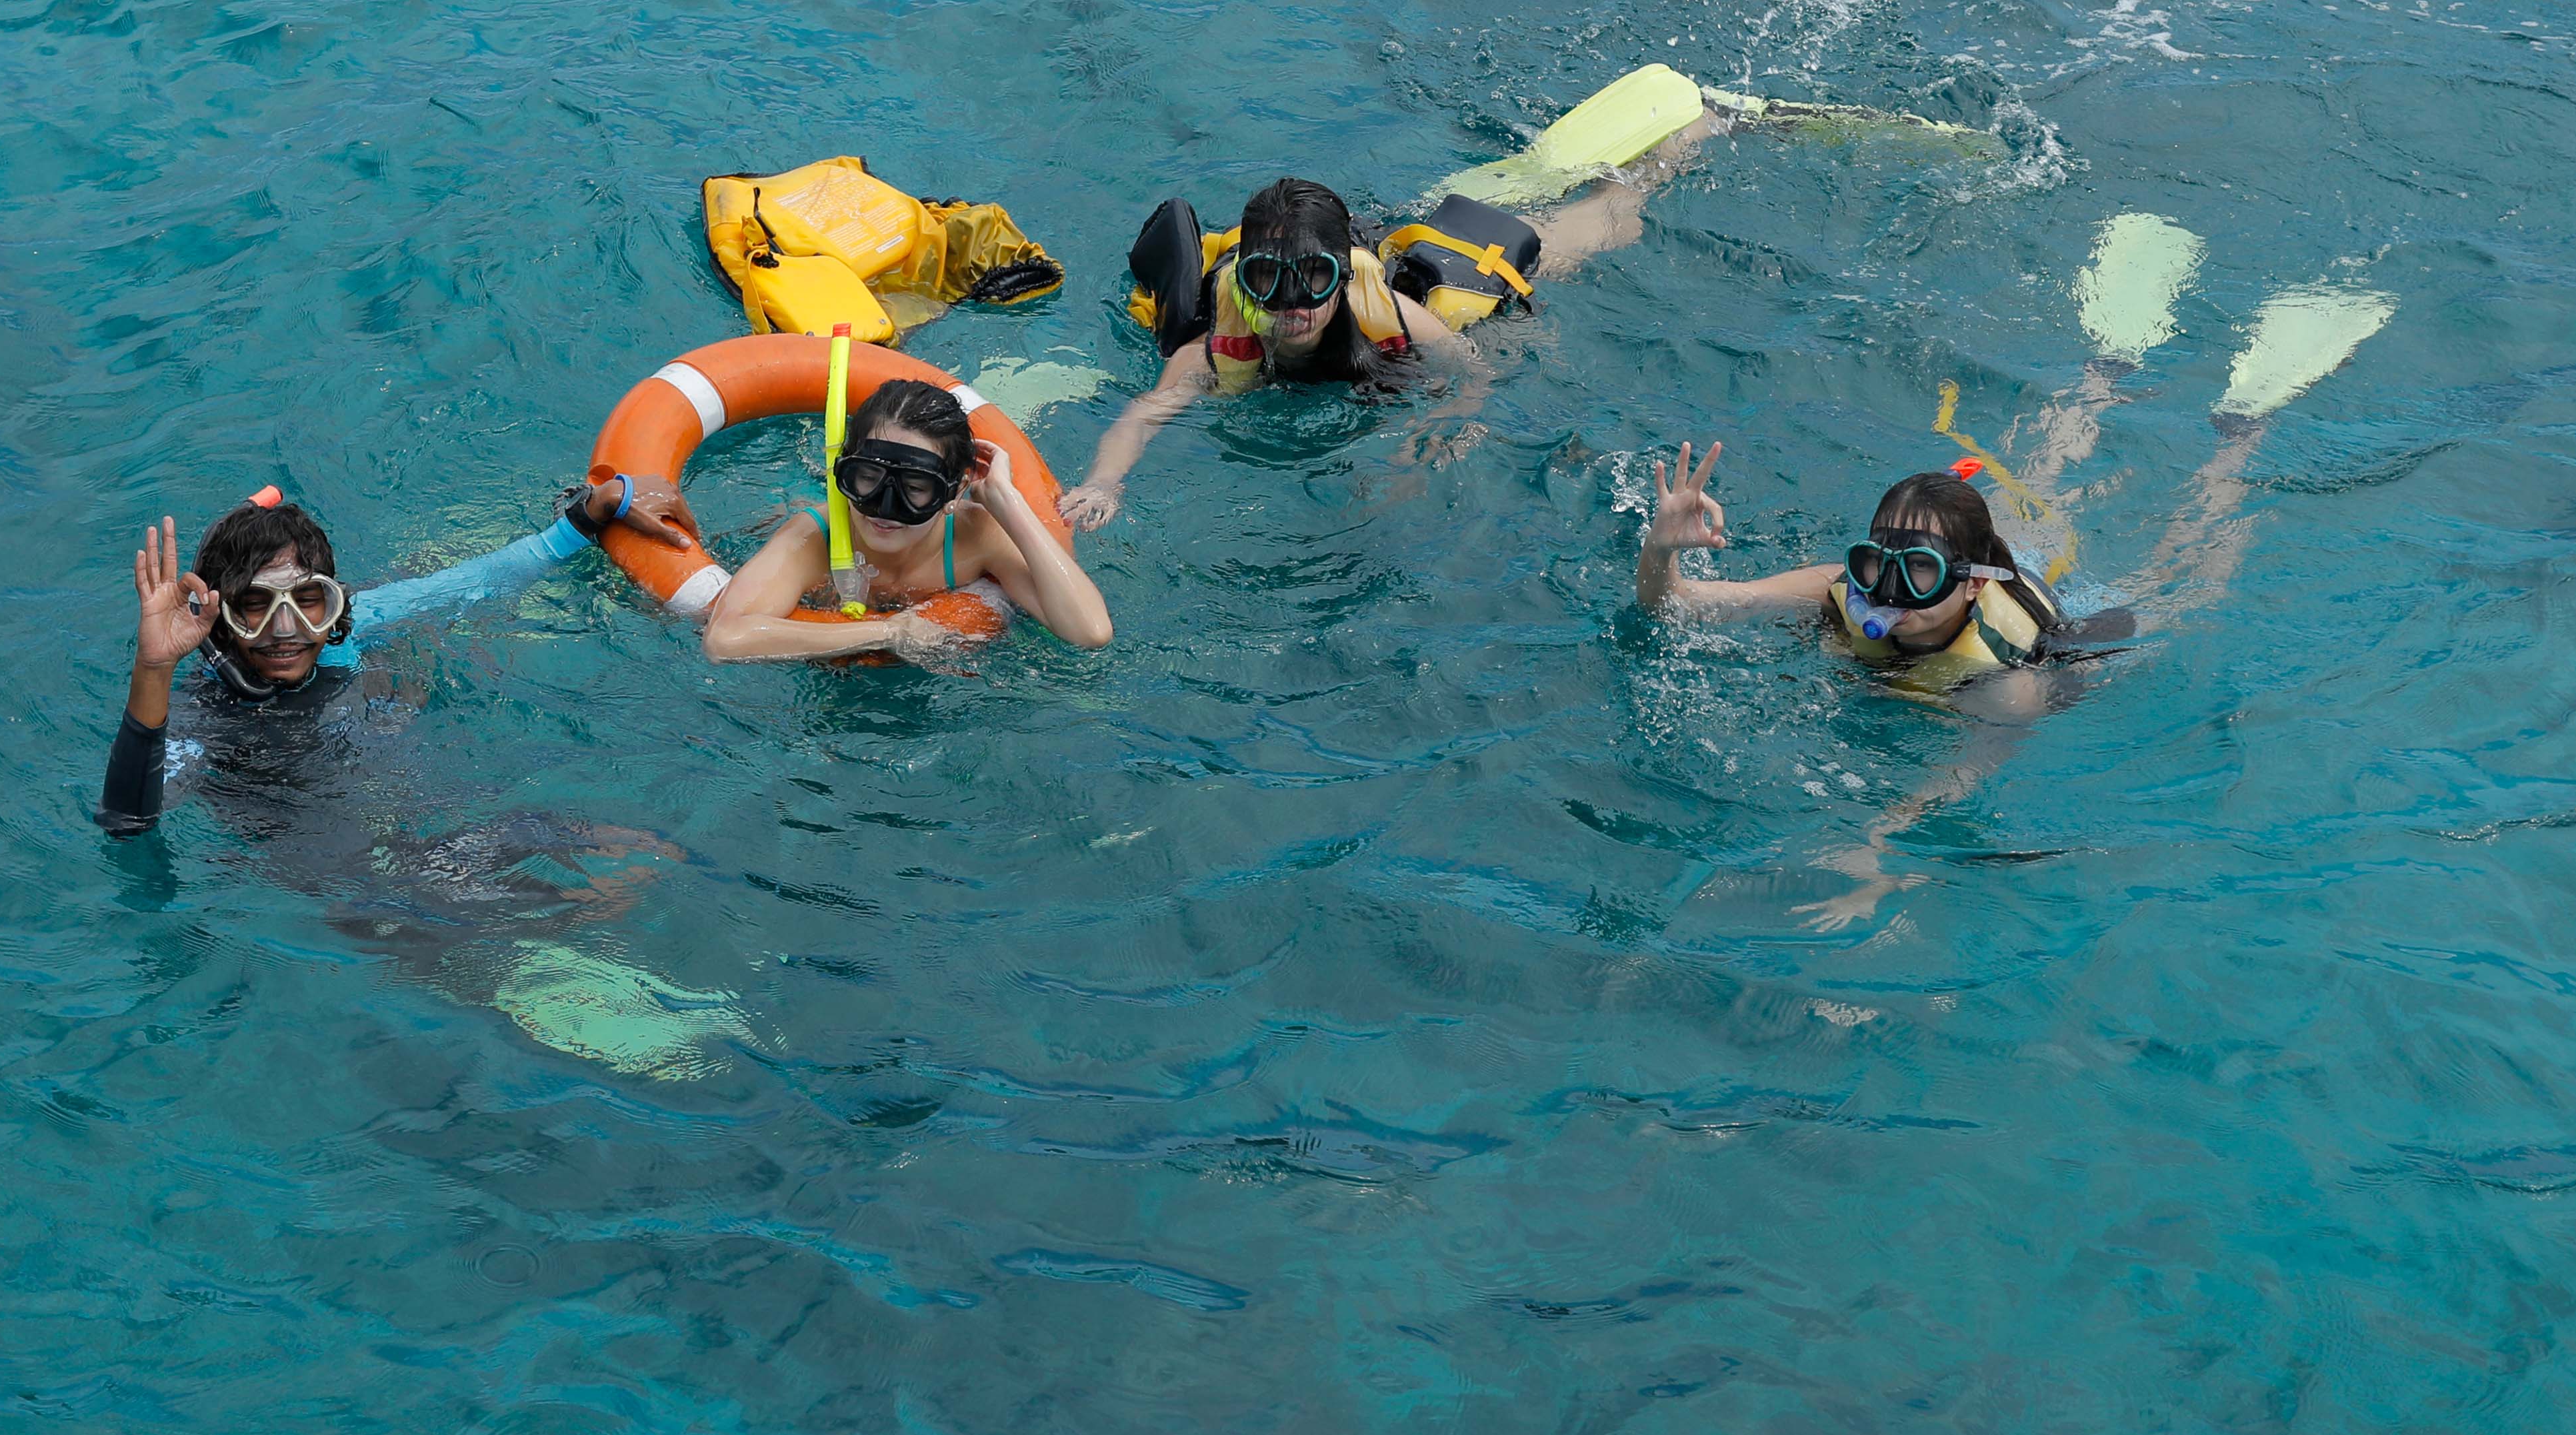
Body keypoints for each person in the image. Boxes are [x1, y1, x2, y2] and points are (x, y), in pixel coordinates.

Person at [1633, 221, 2397, 926]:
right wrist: (1661, 552)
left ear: (1969, 581)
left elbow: (1960, 776)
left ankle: (2237, 433)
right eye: (1876, 567)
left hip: (2070, 624)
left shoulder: (2007, 682)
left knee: (2183, 570)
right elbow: (1678, 609)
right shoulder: (1842, 590)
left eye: (1918, 574)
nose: (1888, 595)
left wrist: (1878, 850)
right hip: (1993, 559)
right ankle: (2103, 373)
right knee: (2033, 482)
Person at [1059, 139, 1711, 527]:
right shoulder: (1217, 352)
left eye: (1311, 280)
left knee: (1591, 232)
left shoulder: (1386, 307)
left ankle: (1675, 153)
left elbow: (1473, 369)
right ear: (1246, 284)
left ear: (1342, 278)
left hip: (1396, 267)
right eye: (1269, 282)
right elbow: (1140, 418)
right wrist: (1104, 483)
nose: (1292, 305)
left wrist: (1443, 433)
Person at [99, 471, 695, 838]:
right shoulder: (207, 719)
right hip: (318, 856)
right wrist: (153, 666)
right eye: (255, 605)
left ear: (334, 602)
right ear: (221, 622)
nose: (287, 629)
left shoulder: (352, 626)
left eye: (309, 600)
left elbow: (477, 581)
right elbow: (129, 822)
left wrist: (588, 513)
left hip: (413, 796)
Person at [699, 376, 1114, 660]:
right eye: (868, 479)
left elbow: (1090, 632)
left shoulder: (976, 534)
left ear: (952, 492)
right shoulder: (814, 537)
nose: (886, 508)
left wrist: (1007, 503)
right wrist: (890, 632)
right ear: (843, 474)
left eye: (916, 489)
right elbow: (724, 639)